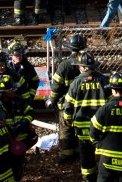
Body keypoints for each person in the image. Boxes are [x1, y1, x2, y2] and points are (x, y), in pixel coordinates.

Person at [64, 52, 109, 182]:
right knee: (103, 151)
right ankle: (103, 177)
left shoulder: (76, 82)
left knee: (86, 153)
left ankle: (88, 178)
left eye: (79, 66)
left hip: (82, 125)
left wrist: (67, 119)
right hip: (101, 125)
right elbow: (111, 102)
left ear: (83, 68)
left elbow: (68, 104)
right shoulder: (103, 80)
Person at [48, 33, 89, 163]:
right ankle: (78, 153)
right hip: (83, 105)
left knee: (66, 130)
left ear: (70, 47)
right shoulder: (88, 63)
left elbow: (56, 87)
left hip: (66, 105)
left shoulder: (64, 65)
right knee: (79, 129)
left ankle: (67, 156)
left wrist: (52, 100)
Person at [0, 74, 36, 180]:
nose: (15, 90)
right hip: (3, 146)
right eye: (12, 89)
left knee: (17, 170)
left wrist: (24, 122)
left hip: (19, 142)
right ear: (4, 92)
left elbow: (30, 112)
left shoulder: (19, 101)